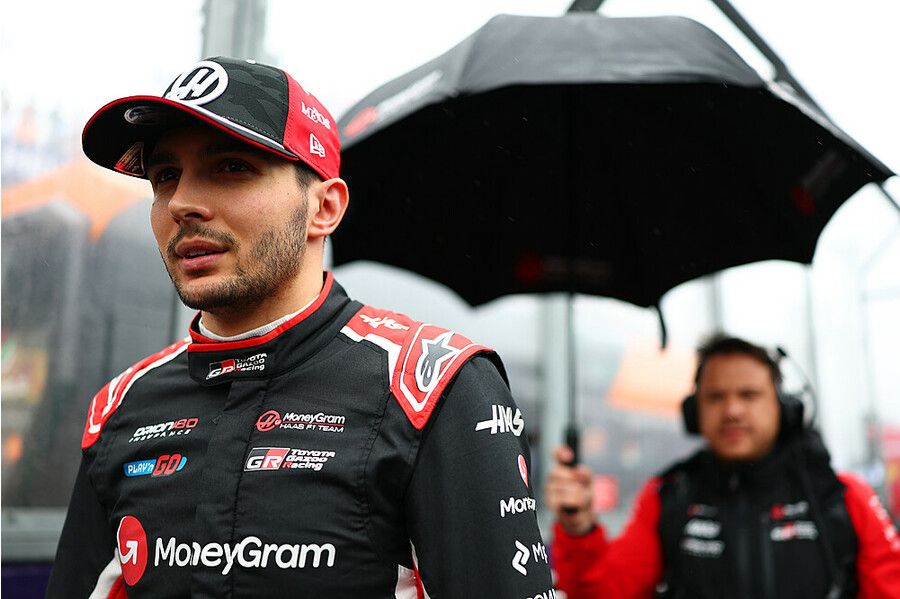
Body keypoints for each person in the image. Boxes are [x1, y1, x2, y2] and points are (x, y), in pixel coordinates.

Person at [46, 56, 554, 599]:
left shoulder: (433, 386)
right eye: (165, 175)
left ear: (324, 208)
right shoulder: (119, 407)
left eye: (231, 167)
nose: (183, 203)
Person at [545, 333, 900, 599]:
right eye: (716, 397)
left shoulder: (842, 496)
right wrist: (578, 529)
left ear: (786, 409)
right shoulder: (667, 497)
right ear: (694, 412)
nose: (732, 410)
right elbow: (602, 593)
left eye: (748, 394)